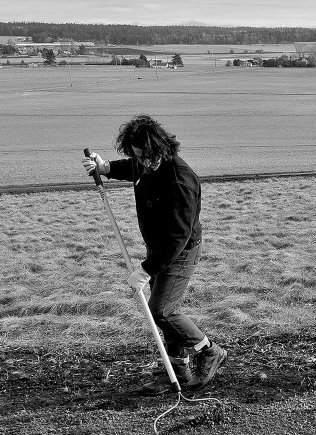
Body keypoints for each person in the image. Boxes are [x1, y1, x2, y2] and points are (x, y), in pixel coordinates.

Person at [82, 115, 227, 396]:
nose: (145, 163)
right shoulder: (145, 163)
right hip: (158, 248)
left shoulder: (181, 181)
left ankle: (209, 351)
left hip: (179, 252)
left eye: (149, 157)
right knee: (165, 312)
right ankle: (178, 371)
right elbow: (134, 168)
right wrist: (106, 167)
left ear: (163, 146)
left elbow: (177, 238)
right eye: (140, 157)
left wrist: (146, 269)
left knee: (162, 310)